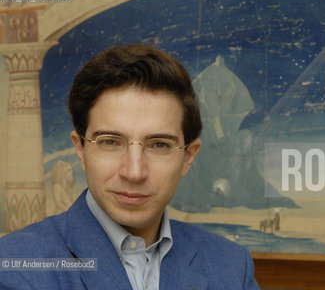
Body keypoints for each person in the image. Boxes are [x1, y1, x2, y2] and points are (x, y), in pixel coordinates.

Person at [0, 44, 260, 289]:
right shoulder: (15, 268)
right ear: (80, 149)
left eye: (159, 145)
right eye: (110, 142)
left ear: (188, 157)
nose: (134, 172)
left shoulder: (232, 266)